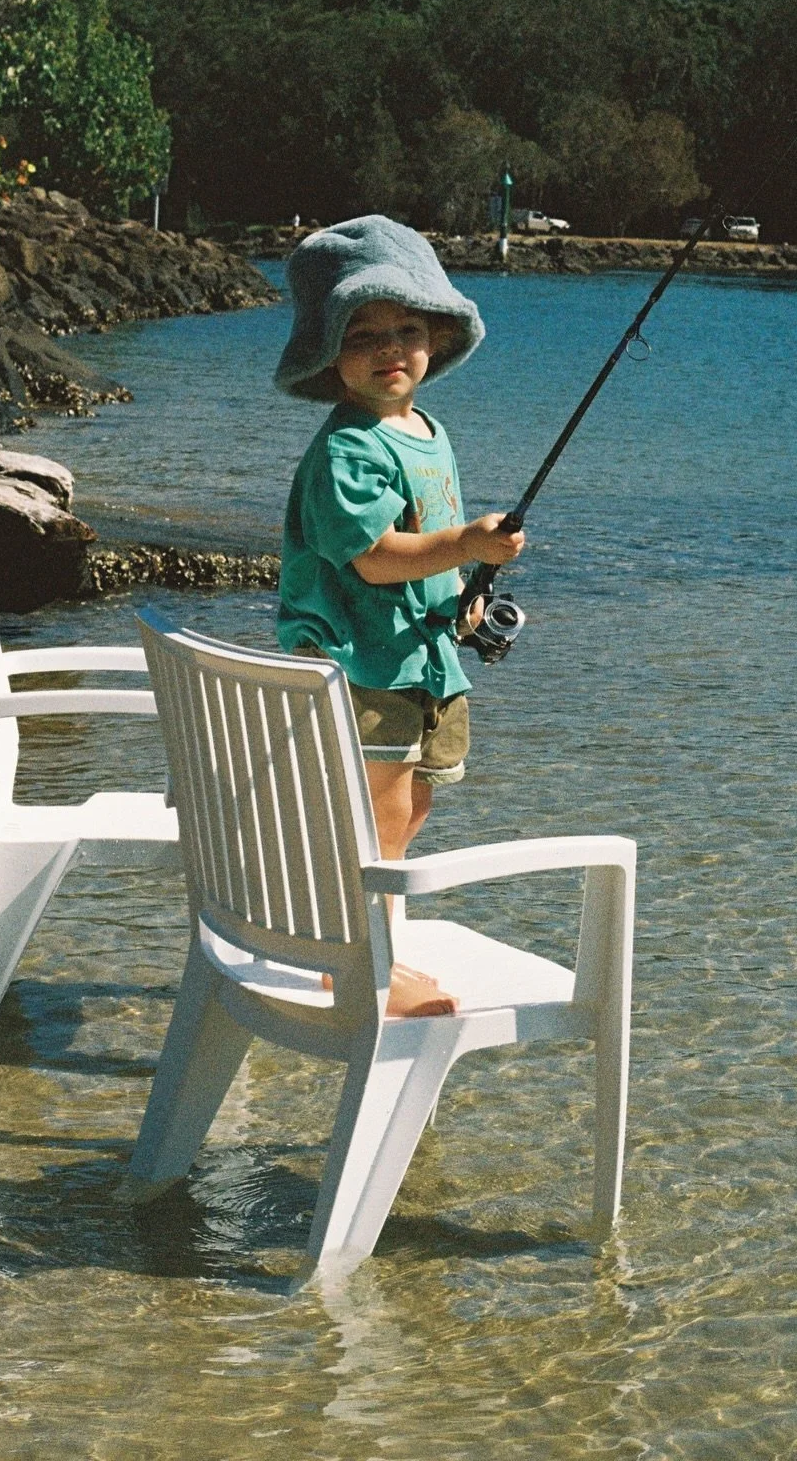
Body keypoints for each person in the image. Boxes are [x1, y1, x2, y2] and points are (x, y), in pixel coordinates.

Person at [274, 215, 524, 1017]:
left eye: (407, 329)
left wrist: (469, 584)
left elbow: (428, 546)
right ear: (329, 351)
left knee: (411, 803)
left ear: (437, 337)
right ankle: (359, 965)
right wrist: (463, 541)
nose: (390, 348)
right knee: (377, 811)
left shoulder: (423, 431)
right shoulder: (348, 448)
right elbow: (379, 556)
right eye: (365, 332)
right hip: (364, 662)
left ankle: (368, 943)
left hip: (418, 655)